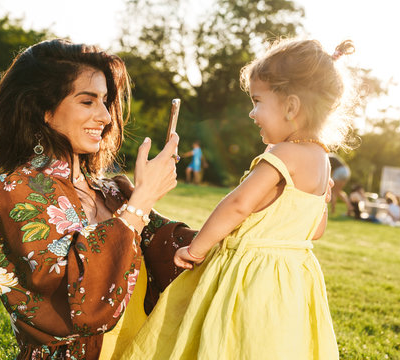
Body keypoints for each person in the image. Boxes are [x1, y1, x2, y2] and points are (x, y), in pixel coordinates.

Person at [121, 38, 356, 359]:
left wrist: (197, 248)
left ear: (291, 106)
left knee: (230, 339)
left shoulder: (282, 154)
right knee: (266, 344)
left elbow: (237, 205)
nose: (252, 112)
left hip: (251, 273)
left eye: (258, 101)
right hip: (291, 278)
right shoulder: (322, 159)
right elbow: (314, 231)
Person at [0, 39, 197, 360]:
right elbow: (74, 302)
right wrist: (142, 201)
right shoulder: (14, 190)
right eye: (87, 101)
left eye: (106, 101)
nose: (106, 117)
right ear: (44, 111)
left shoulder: (111, 190)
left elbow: (173, 247)